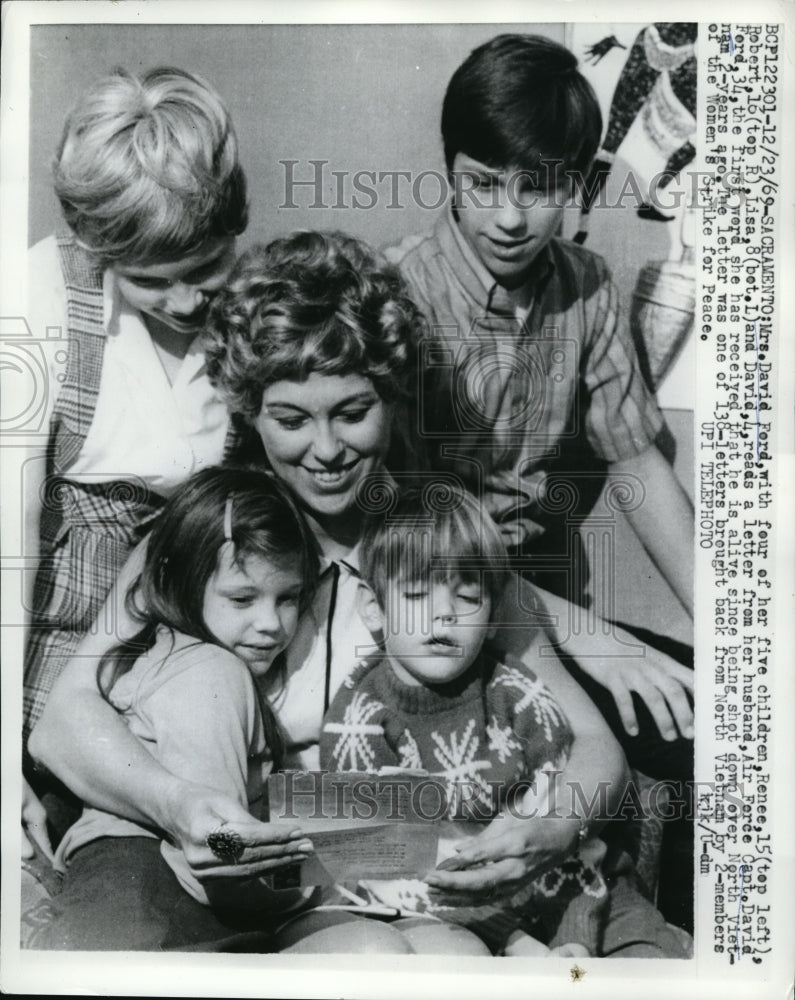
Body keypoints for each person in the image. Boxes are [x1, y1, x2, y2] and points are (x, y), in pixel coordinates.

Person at [29, 232, 633, 951]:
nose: (325, 450)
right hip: (182, 835)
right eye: (290, 420)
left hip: (356, 858)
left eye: (351, 412)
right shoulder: (211, 526)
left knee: (424, 958)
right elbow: (62, 719)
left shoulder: (434, 540)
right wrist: (179, 802)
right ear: (249, 411)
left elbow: (595, 746)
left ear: (391, 396)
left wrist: (551, 825)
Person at [385, 34, 695, 930]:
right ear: (448, 169)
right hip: (427, 607)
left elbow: (634, 463)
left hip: (543, 604)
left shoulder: (587, 289)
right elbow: (403, 539)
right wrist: (592, 637)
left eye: (541, 186)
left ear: (578, 185)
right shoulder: (395, 299)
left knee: (718, 721)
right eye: (483, 183)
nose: (511, 216)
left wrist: (742, 631)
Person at [23, 66, 251, 832]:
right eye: (153, 281)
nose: (186, 302)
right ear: (102, 249)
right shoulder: (39, 302)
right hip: (44, 635)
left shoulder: (248, 310)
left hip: (176, 629)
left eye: (206, 269)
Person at [320, 485, 687, 958]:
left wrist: (574, 936)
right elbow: (381, 870)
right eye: (415, 593)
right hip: (454, 912)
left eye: (467, 596)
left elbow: (567, 837)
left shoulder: (515, 690)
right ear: (374, 608)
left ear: (495, 616)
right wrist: (517, 942)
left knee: (650, 959)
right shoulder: (358, 719)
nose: (443, 614)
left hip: (573, 892)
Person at [24, 467, 321, 950]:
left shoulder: (164, 654)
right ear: (183, 581)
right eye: (242, 598)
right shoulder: (213, 674)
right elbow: (223, 856)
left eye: (289, 598)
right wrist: (312, 889)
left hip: (123, 894)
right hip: (153, 906)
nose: (270, 622)